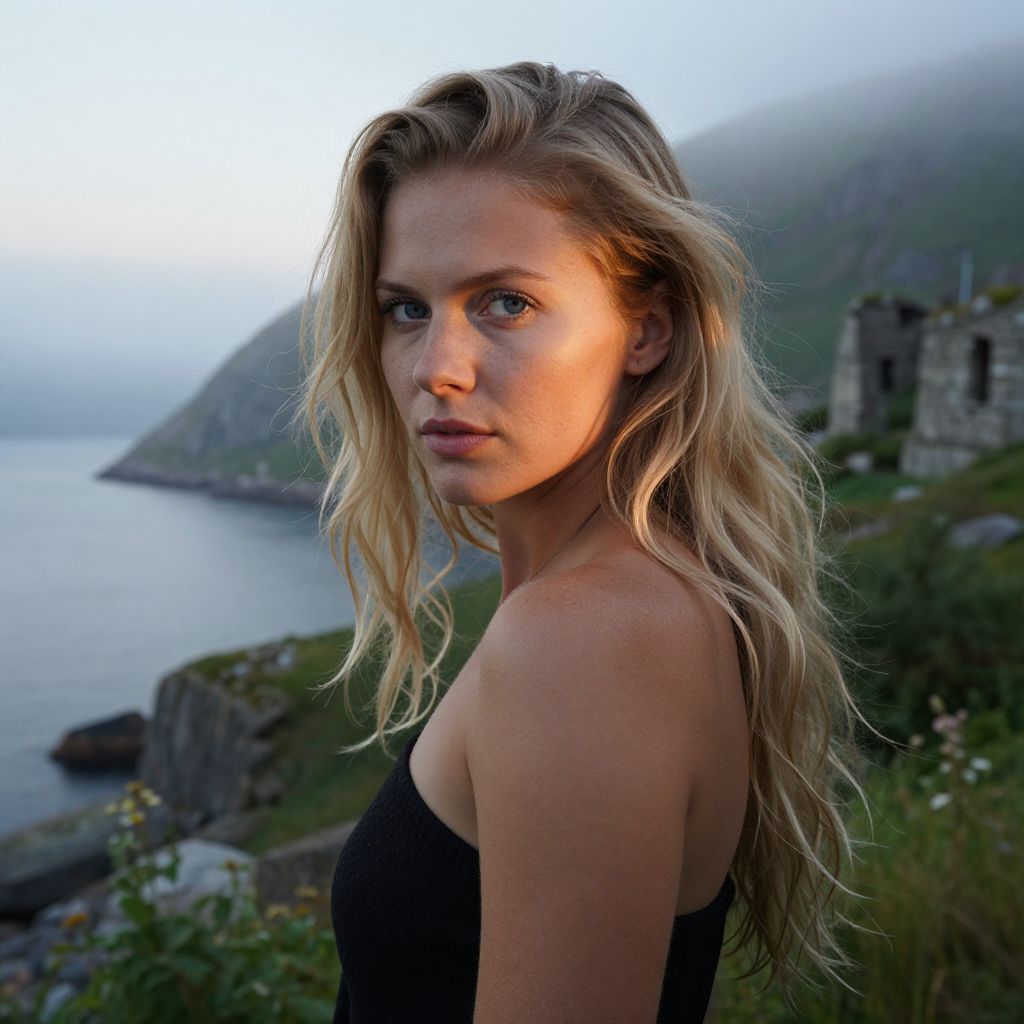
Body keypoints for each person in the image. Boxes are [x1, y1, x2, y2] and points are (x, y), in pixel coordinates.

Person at [293, 61, 874, 1023]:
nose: (436, 368)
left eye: (505, 303)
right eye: (407, 308)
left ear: (645, 329)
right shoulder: (638, 604)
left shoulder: (584, 643)